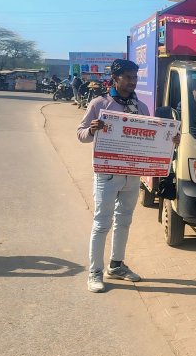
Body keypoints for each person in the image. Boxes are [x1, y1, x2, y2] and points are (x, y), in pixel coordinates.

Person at [76, 59, 178, 293]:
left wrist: (171, 140)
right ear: (116, 78)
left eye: (135, 77)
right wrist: (91, 129)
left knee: (124, 221)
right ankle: (94, 272)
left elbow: (153, 137)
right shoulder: (100, 104)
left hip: (133, 175)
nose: (133, 81)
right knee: (102, 224)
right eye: (128, 77)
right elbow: (80, 134)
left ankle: (117, 265)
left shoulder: (141, 108)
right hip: (107, 174)